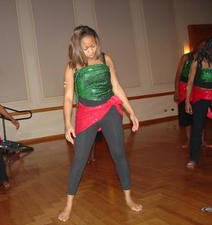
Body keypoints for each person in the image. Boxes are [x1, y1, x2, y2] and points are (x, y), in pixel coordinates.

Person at [58, 25, 142, 222]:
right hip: (86, 114)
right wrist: (67, 124)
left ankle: (128, 197)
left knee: (119, 154)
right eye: (86, 48)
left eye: (93, 46)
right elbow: (69, 96)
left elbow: (117, 87)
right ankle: (68, 204)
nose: (91, 51)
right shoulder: (72, 67)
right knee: (79, 159)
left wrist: (131, 112)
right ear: (77, 47)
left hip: (110, 110)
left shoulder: (106, 59)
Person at [174, 42, 211, 149]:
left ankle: (203, 141)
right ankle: (189, 141)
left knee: (200, 115)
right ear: (196, 46)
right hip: (184, 88)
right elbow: (178, 75)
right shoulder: (186, 57)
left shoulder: (205, 60)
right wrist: (176, 90)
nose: (202, 47)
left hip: (197, 90)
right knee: (187, 116)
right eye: (201, 45)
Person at [185, 38, 212, 169]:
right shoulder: (197, 62)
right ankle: (193, 159)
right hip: (200, 97)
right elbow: (189, 83)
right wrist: (187, 102)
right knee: (197, 128)